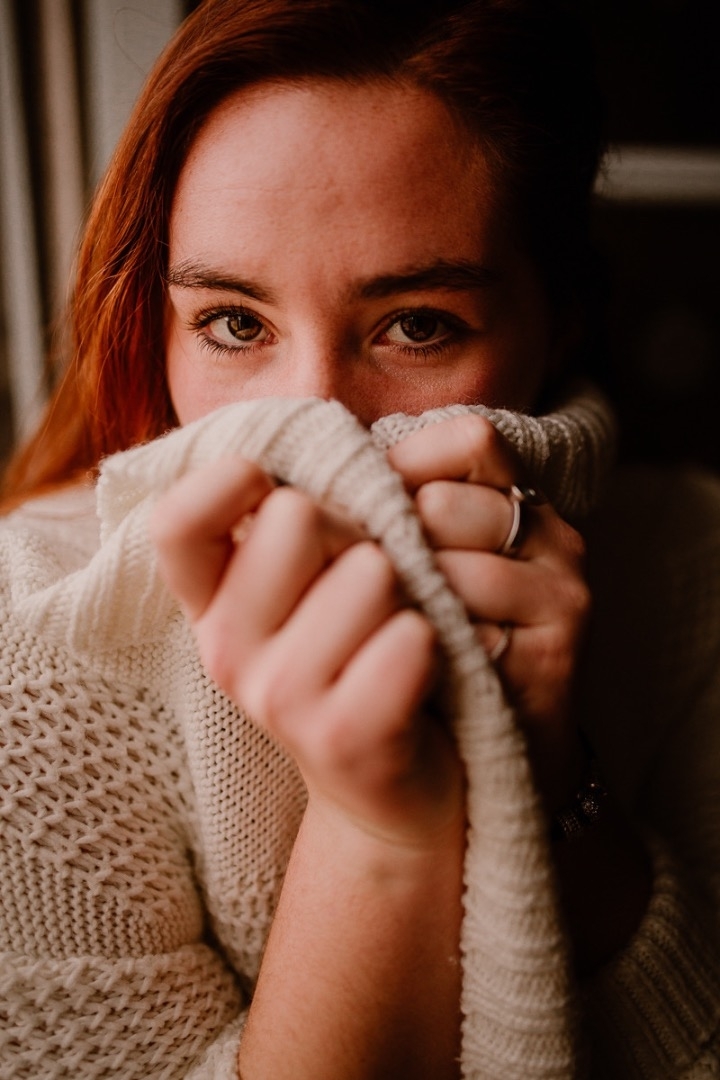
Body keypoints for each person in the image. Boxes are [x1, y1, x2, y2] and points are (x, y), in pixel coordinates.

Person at [1, 1, 719, 1077]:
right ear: (155, 325)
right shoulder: (31, 634)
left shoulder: (692, 567)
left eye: (417, 325)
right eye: (235, 323)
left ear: (558, 319)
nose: (317, 426)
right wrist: (380, 820)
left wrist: (552, 776)